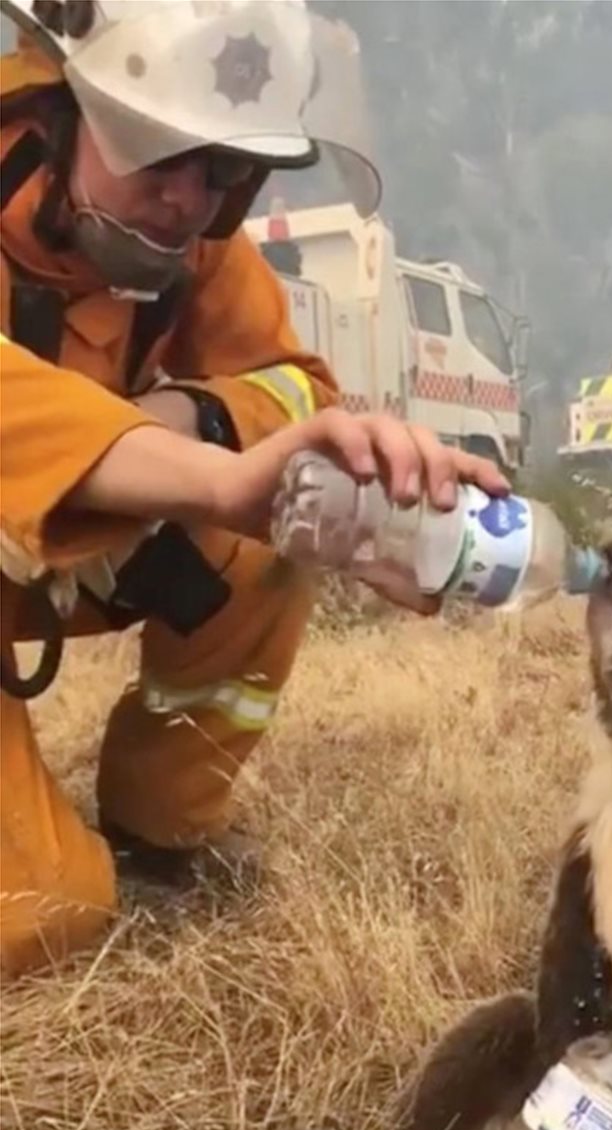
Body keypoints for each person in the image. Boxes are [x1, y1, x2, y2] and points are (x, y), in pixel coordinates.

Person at [0, 0, 508, 977]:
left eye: (229, 170)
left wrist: (189, 437)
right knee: (42, 915)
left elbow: (293, 387)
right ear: (73, 107)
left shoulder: (195, 246)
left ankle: (160, 837)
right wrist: (221, 480)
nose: (191, 201)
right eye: (168, 154)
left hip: (43, 555)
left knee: (283, 532)